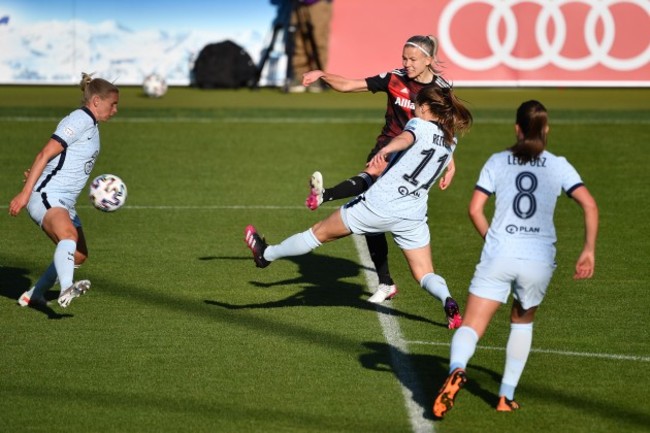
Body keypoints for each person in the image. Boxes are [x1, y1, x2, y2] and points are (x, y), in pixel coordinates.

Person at [244, 84, 472, 329]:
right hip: (412, 215)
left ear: (426, 108)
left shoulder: (419, 125)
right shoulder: (451, 141)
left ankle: (265, 255)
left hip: (379, 205)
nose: (414, 111)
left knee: (318, 233)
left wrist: (387, 147)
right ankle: (447, 300)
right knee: (425, 273)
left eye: (416, 106)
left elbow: (407, 138)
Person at [432, 100, 599, 418]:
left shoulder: (498, 161)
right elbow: (589, 205)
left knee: (472, 324)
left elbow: (474, 209)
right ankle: (505, 397)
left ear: (517, 129)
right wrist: (588, 250)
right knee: (522, 322)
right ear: (546, 129)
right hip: (537, 259)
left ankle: (456, 368)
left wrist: (493, 240)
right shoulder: (559, 164)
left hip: (500, 253)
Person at [300, 34, 457, 304]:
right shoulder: (394, 78)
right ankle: (385, 281)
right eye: (404, 58)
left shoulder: (441, 89)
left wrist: (450, 163)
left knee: (372, 206)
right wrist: (323, 74)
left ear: (429, 60)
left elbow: (447, 129)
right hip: (388, 149)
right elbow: (349, 85)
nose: (406, 64)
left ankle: (326, 196)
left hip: (414, 161)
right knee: (371, 197)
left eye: (413, 59)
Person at [9, 72, 120, 309]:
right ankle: (67, 287)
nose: (115, 110)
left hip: (64, 200)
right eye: (113, 104)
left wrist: (39, 173)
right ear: (97, 101)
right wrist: (26, 193)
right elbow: (45, 153)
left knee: (78, 255)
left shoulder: (92, 124)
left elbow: (63, 158)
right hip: (48, 195)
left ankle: (34, 295)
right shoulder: (79, 120)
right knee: (68, 236)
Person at [287, 0, 333, 93]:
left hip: (318, 3)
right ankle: (300, 77)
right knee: (298, 42)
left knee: (318, 41)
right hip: (298, 4)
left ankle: (318, 78)